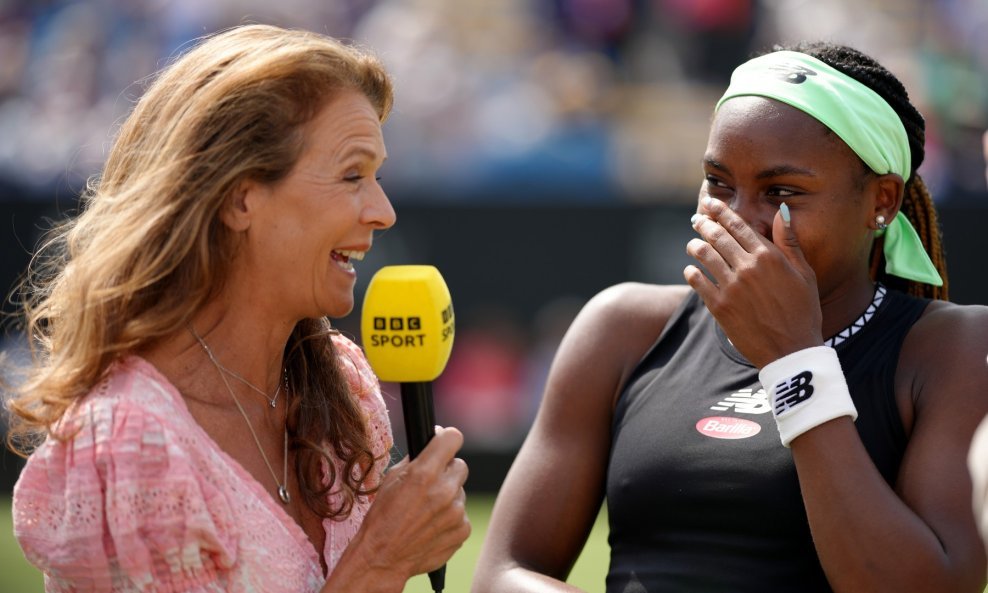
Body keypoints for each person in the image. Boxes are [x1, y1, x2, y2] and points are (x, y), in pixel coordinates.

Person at [472, 42, 988, 593]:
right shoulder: (623, 327)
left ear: (881, 201)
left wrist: (794, 359)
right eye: (718, 182)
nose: (736, 218)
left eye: (781, 191)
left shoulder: (952, 346)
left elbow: (930, 586)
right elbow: (503, 574)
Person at [6, 24, 470, 593]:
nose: (383, 211)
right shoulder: (132, 443)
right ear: (240, 196)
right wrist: (380, 561)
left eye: (378, 177)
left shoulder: (344, 388)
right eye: (352, 175)